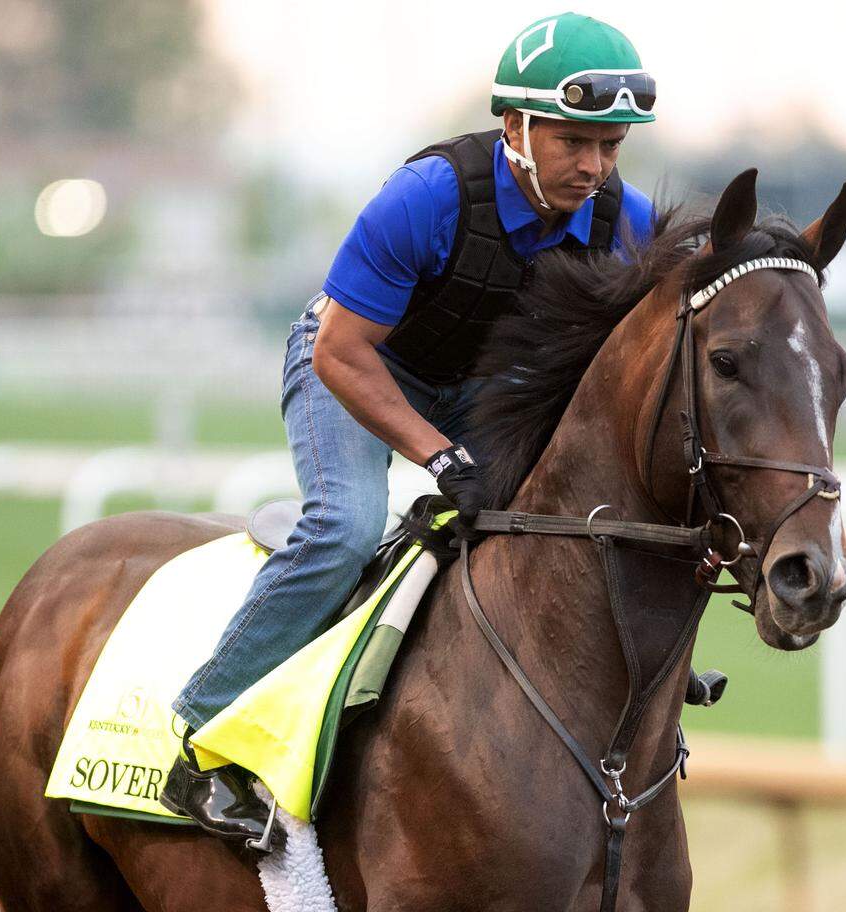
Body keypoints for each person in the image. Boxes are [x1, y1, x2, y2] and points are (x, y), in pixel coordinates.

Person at [160, 11, 659, 842]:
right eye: (576, 141)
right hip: (354, 363)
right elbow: (342, 353)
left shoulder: (624, 220)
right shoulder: (427, 198)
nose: (596, 168)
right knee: (347, 526)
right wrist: (438, 456)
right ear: (515, 126)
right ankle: (201, 741)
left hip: (477, 388)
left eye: (612, 146)